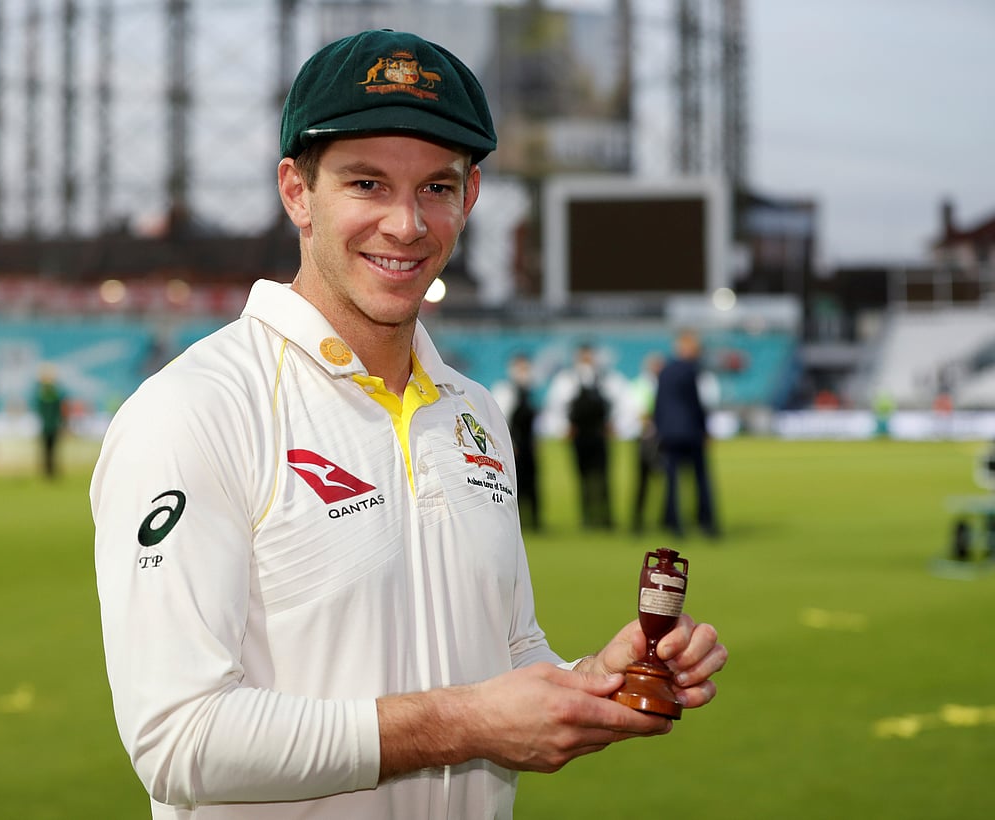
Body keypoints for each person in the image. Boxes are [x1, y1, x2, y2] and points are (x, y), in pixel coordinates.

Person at [91, 29, 726, 820]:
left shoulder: (475, 412)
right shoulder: (194, 411)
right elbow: (179, 739)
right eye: (366, 183)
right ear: (296, 191)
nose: (406, 224)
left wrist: (594, 678)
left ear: (472, 197)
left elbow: (509, 649)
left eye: (437, 187)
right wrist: (461, 725)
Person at [653, 329, 720, 538]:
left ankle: (674, 523)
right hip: (690, 431)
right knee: (700, 478)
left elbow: (659, 404)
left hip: (670, 433)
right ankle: (706, 523)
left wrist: (660, 428)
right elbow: (696, 404)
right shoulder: (693, 371)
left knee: (672, 480)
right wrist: (704, 429)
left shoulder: (664, 371)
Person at [558, 344, 614, 529]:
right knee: (583, 478)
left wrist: (611, 424)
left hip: (598, 434)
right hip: (580, 435)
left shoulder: (604, 378)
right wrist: (566, 427)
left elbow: (614, 403)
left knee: (602, 477)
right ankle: (587, 517)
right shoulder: (569, 379)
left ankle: (605, 517)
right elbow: (559, 405)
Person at [492, 352, 541, 530]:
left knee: (533, 483)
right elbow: (500, 420)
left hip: (529, 444)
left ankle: (535, 521)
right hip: (513, 445)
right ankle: (515, 521)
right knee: (514, 483)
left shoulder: (530, 391)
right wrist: (509, 443)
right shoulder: (505, 391)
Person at [629, 353, 664, 534]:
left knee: (664, 480)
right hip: (645, 438)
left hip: (660, 437)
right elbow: (637, 410)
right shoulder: (641, 385)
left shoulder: (659, 384)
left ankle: (664, 518)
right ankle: (638, 519)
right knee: (643, 480)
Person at [33, 364, 65, 478]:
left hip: (48, 426)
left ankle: (48, 471)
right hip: (51, 425)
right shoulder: (54, 394)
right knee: (51, 450)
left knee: (47, 450)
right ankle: (50, 471)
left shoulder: (43, 394)